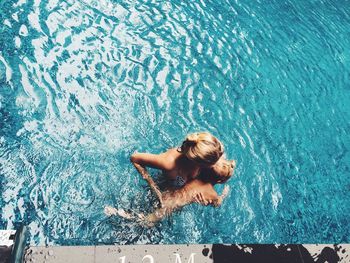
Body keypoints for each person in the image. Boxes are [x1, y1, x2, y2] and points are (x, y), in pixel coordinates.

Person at [104, 157, 236, 226]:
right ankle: (120, 214)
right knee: (147, 222)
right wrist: (224, 194)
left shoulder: (195, 172)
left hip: (163, 191)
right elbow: (217, 203)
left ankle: (121, 212)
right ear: (220, 182)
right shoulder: (211, 194)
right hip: (169, 206)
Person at [130, 132, 225, 190]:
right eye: (213, 162)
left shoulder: (209, 153)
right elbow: (135, 158)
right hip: (163, 186)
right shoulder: (168, 163)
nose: (217, 163)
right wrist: (152, 185)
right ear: (199, 162)